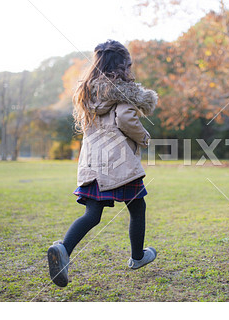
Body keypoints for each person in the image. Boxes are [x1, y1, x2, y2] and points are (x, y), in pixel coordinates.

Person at [47, 40, 158, 287]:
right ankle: (138, 257)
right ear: (120, 67)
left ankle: (64, 248)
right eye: (129, 65)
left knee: (92, 214)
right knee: (137, 207)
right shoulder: (122, 91)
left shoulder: (88, 92)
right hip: (119, 162)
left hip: (92, 163)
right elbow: (126, 119)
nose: (131, 70)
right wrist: (144, 138)